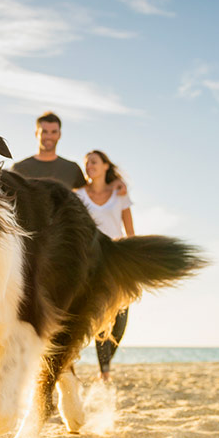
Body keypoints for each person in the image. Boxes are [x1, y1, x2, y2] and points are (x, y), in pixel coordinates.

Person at [76, 150, 134, 382]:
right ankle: (105, 372)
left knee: (120, 318)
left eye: (94, 162)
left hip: (118, 260)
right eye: (87, 163)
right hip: (91, 260)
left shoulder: (119, 194)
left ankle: (105, 365)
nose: (90, 166)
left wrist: (133, 259)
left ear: (106, 166)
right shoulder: (78, 194)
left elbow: (129, 231)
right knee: (101, 313)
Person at [11, 111, 86, 189]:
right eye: (44, 132)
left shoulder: (72, 169)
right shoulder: (18, 169)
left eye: (54, 132)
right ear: (37, 134)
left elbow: (88, 196)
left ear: (59, 134)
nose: (49, 136)